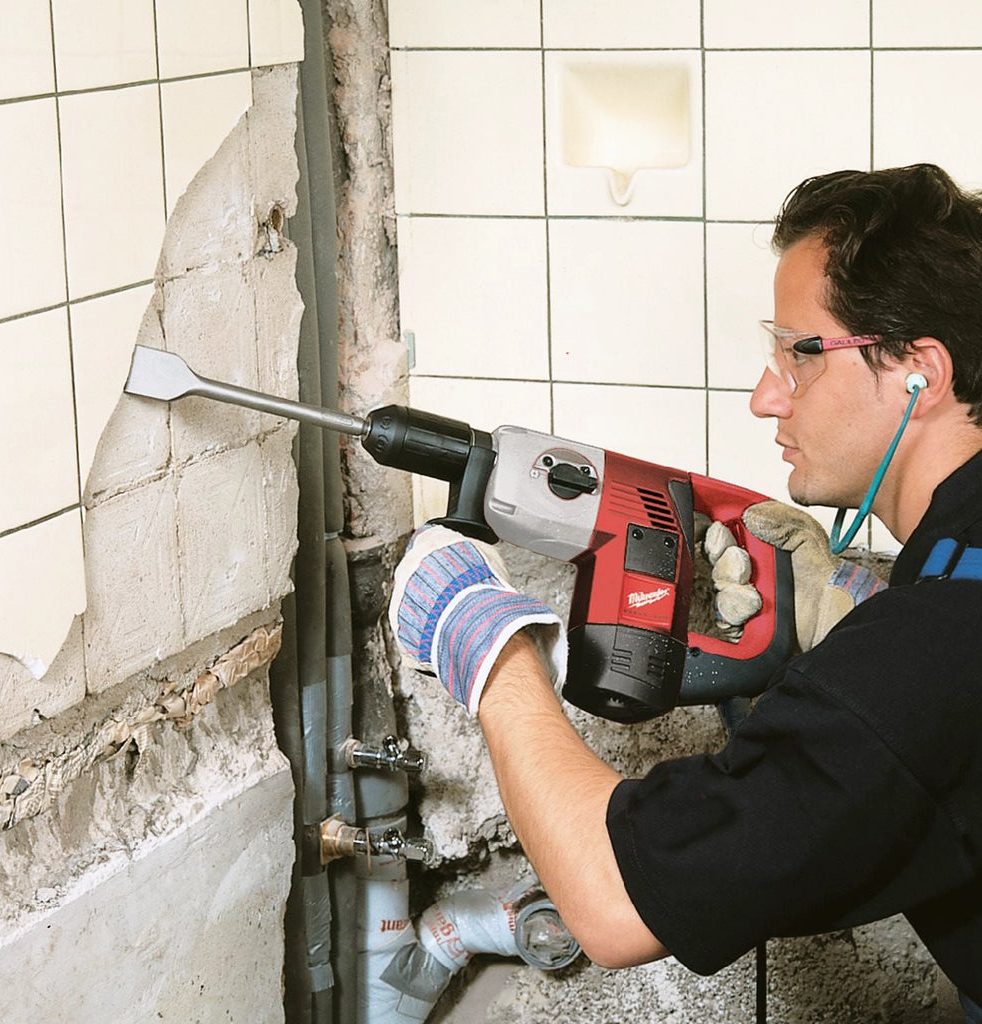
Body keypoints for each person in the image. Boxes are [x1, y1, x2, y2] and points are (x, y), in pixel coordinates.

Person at [389, 164, 982, 1017]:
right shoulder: (950, 580)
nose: (766, 397)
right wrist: (862, 611)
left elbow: (615, 902)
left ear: (918, 371)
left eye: (800, 355)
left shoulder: (938, 643)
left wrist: (487, 645)